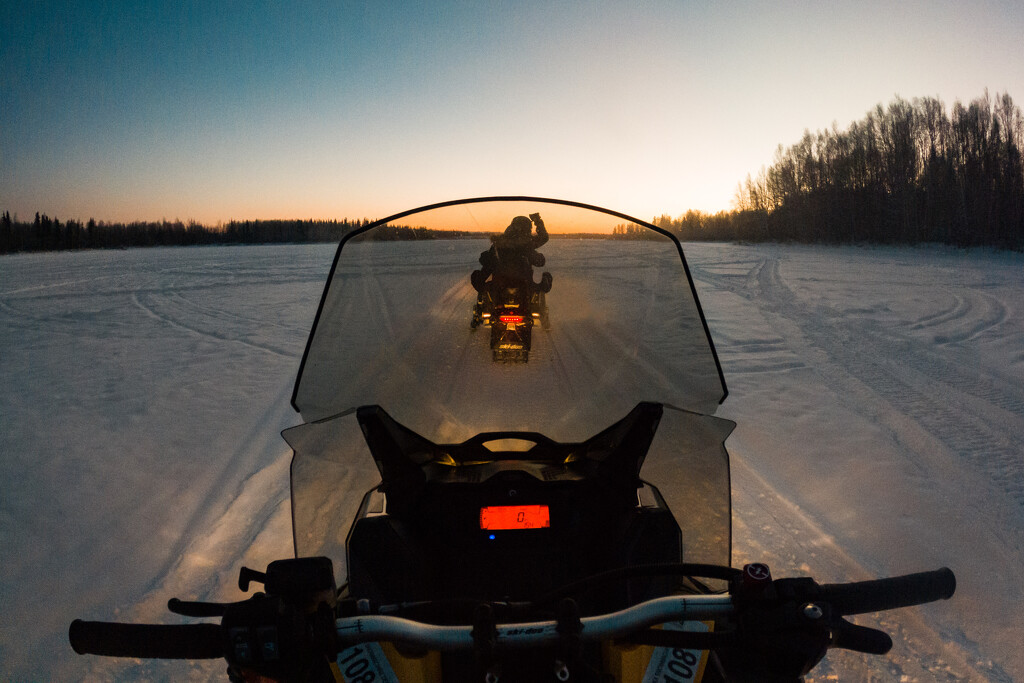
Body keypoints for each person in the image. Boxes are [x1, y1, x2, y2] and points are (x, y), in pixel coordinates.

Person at [471, 213, 552, 293]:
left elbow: (485, 260)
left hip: (501, 284)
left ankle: (484, 293)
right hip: (522, 284)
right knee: (542, 283)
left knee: (486, 267)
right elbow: (543, 239)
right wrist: (538, 221)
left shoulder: (500, 242)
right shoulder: (527, 243)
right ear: (527, 229)